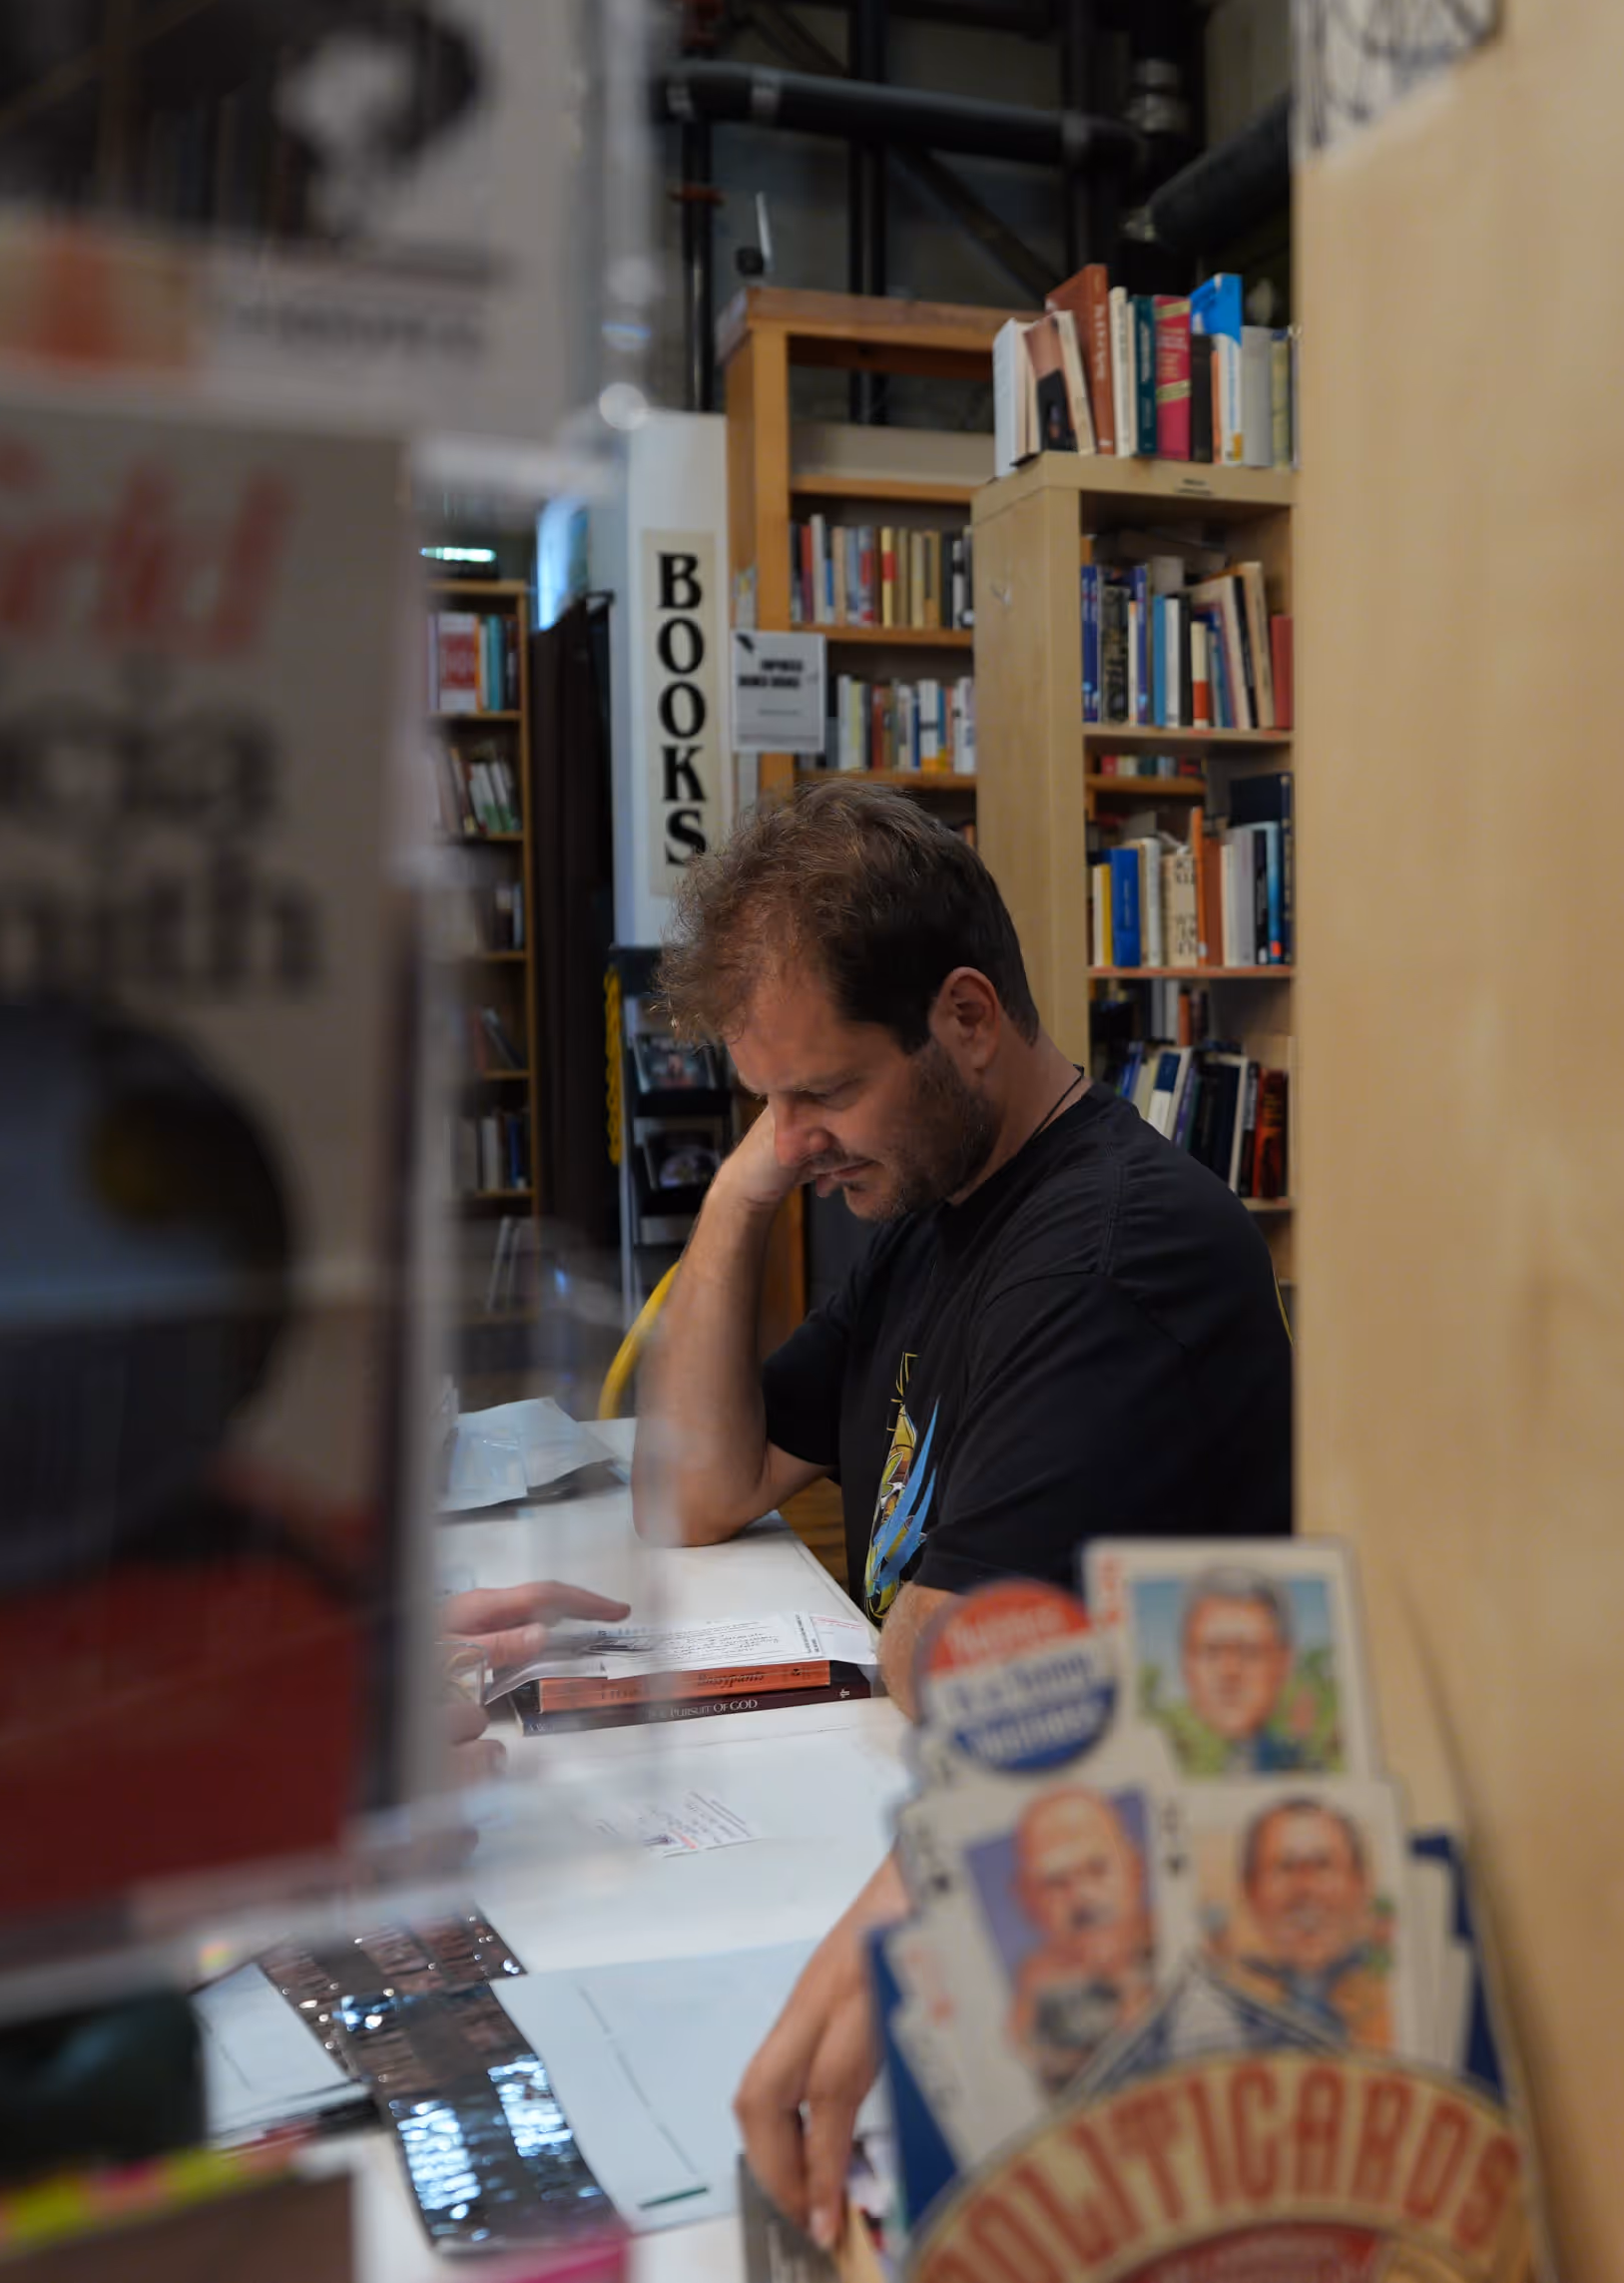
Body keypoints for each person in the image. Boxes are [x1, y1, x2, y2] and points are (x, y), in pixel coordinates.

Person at [640, 785, 1291, 2247]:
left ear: (968, 1019)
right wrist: (747, 1188)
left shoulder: (1115, 1255)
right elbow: (691, 1489)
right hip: (942, 1856)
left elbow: (935, 1647)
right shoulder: (933, 1202)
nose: (799, 1141)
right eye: (768, 1103)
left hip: (1127, 1968)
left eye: (822, 1093)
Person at [1003, 1788, 1158, 2094]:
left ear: (1135, 1869)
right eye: (1056, 1882)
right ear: (1027, 1899)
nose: (1082, 1897)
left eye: (1097, 1870)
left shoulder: (1200, 1944)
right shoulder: (1032, 1998)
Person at [1213, 1798, 1388, 2047]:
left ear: (1360, 1884)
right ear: (1249, 1890)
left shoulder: (1392, 1997)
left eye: (1323, 1865)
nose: (1305, 1888)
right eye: (1284, 1868)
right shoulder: (1223, 2005)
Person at [1150, 1566, 1339, 1774]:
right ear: (1185, 1663)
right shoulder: (1158, 1761)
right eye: (1211, 1652)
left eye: (1249, 1652)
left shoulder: (1302, 1766)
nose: (1229, 1672)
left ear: (1283, 1662)